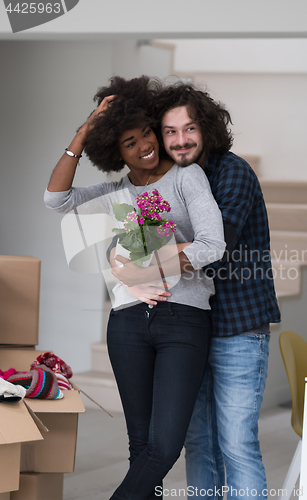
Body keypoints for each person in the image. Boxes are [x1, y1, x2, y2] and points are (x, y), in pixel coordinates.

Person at [44, 76, 226, 500]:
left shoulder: (187, 177)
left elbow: (212, 245)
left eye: (147, 132)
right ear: (114, 152)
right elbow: (56, 198)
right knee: (140, 447)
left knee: (163, 446)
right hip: (126, 324)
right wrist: (85, 130)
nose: (145, 144)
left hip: (183, 320)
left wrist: (140, 271)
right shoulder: (113, 193)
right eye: (130, 141)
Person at [111, 80, 281, 499]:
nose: (180, 139)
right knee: (198, 442)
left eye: (189, 129)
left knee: (237, 444)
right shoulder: (173, 180)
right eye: (169, 131)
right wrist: (125, 264)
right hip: (191, 324)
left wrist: (135, 268)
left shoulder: (232, 172)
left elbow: (215, 248)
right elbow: (130, 239)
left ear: (205, 128)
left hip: (238, 326)